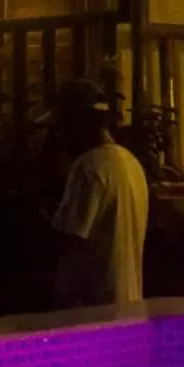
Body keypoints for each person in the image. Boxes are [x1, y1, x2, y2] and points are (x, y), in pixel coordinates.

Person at [45, 79, 148, 307]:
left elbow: (68, 239)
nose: (59, 136)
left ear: (78, 122)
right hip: (128, 304)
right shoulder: (130, 163)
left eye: (62, 125)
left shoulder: (89, 167)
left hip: (93, 311)